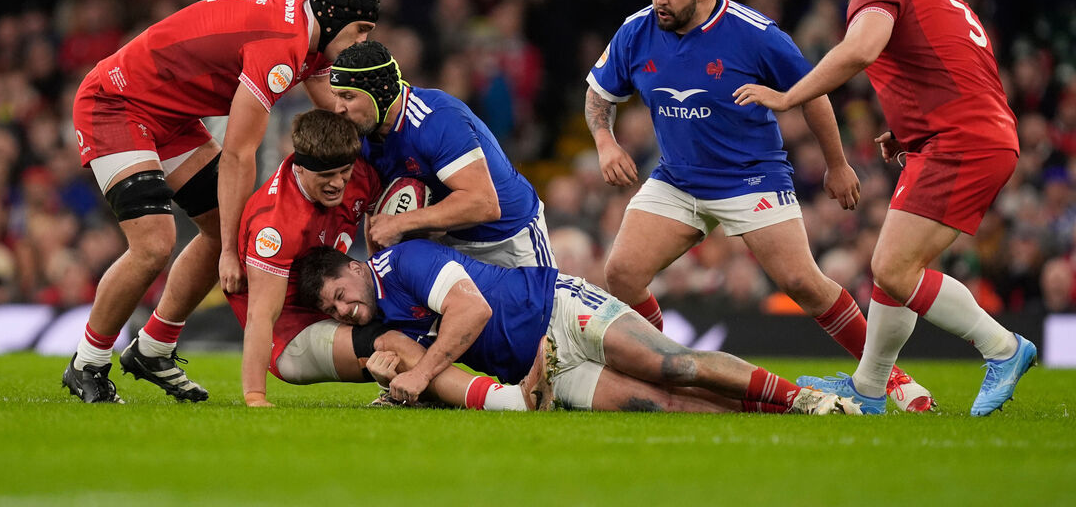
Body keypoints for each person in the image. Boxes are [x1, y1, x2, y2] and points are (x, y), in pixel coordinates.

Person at [584, 0, 933, 412]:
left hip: (751, 179)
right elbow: (599, 94)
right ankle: (662, 366)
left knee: (804, 284)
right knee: (621, 273)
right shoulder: (637, 31)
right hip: (678, 178)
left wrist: (836, 164)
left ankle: (892, 379)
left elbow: (814, 93)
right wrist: (606, 142)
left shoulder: (754, 33)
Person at [733, 0, 1036, 415]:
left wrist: (787, 97)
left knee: (893, 268)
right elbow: (953, 61)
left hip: (958, 141)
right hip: (969, 134)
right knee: (893, 269)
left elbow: (859, 51)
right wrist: (908, 129)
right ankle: (871, 388)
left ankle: (1002, 348)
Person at [63, 0, 380, 403]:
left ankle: (154, 348)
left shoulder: (311, 28)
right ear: (335, 16)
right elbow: (237, 154)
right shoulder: (281, 47)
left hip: (170, 116)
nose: (361, 41)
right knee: (156, 243)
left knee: (222, 227)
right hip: (117, 103)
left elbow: (337, 112)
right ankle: (88, 361)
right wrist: (233, 252)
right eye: (360, 30)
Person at [295, 240, 862, 415]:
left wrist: (419, 377)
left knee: (676, 364)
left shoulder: (407, 261)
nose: (344, 312)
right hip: (544, 368)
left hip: (558, 309)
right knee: (661, 405)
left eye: (341, 296)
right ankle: (783, 417)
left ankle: (804, 397)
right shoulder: (386, 319)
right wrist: (394, 384)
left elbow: (472, 314)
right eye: (333, 311)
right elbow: (430, 371)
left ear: (353, 267)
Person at [230, 108, 543, 411]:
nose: (338, 183)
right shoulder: (275, 226)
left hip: (331, 301)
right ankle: (509, 401)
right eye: (326, 175)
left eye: (343, 172)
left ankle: (405, 394)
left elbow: (386, 221)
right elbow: (261, 316)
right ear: (299, 167)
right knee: (393, 343)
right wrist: (255, 396)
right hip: (290, 333)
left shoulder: (359, 176)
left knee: (406, 308)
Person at [331, 40, 556, 269]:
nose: (338, 108)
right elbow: (378, 218)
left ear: (380, 93)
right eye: (336, 96)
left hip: (509, 238)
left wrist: (401, 223)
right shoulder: (363, 133)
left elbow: (484, 203)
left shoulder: (435, 118)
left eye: (348, 97)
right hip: (450, 244)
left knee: (540, 305)